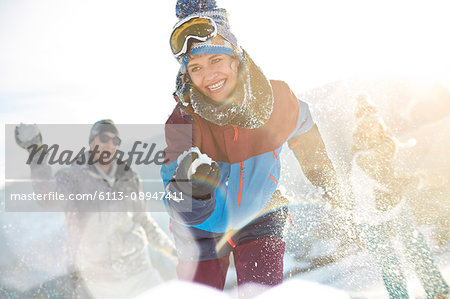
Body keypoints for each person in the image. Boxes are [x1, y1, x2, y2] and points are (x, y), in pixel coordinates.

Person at [161, 0, 347, 295]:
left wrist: (326, 181)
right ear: (187, 74)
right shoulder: (182, 122)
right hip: (202, 232)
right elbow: (175, 198)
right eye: (195, 67)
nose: (208, 76)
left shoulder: (276, 99)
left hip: (261, 214)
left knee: (260, 293)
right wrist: (193, 194)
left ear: (235, 57)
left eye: (216, 60)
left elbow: (305, 132)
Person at [15, 120, 177, 299]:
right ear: (92, 142)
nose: (110, 144)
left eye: (115, 141)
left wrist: (172, 252)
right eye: (105, 138)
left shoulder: (129, 178)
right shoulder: (74, 177)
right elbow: (47, 197)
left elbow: (143, 221)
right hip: (99, 281)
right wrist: (35, 152)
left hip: (140, 272)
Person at [349, 93, 449, 299]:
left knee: (417, 250)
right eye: (365, 126)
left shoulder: (388, 146)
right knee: (390, 264)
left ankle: (438, 292)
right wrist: (422, 180)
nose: (371, 129)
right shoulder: (361, 158)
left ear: (380, 125)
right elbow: (390, 181)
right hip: (370, 218)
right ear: (359, 130)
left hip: (396, 206)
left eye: (374, 124)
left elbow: (393, 178)